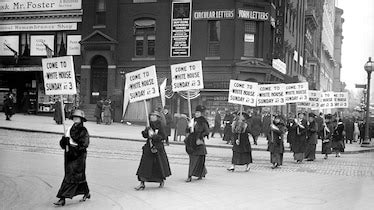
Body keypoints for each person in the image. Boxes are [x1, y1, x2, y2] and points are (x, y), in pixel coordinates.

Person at [54, 110, 90, 206]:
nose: (75, 119)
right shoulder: (69, 128)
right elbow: (63, 144)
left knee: (70, 177)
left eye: (77, 117)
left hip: (78, 157)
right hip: (69, 155)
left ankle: (62, 198)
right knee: (78, 176)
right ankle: (86, 192)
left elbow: (84, 144)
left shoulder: (83, 130)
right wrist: (64, 141)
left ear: (81, 119)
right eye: (74, 117)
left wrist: (74, 150)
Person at [135, 110, 171, 190]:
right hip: (148, 147)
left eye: (154, 116)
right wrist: (145, 132)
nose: (152, 117)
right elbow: (145, 136)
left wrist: (154, 136)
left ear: (157, 117)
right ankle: (142, 182)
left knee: (158, 165)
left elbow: (163, 136)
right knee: (144, 166)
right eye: (151, 115)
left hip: (157, 148)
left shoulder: (161, 125)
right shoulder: (149, 125)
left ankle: (161, 180)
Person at [184, 105, 209, 182]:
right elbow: (187, 130)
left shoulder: (203, 121)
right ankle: (191, 175)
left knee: (200, 159)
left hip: (199, 142)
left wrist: (201, 136)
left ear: (201, 113)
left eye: (199, 113)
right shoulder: (192, 120)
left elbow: (207, 131)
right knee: (193, 159)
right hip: (191, 142)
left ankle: (197, 174)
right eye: (196, 112)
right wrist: (189, 128)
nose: (197, 114)